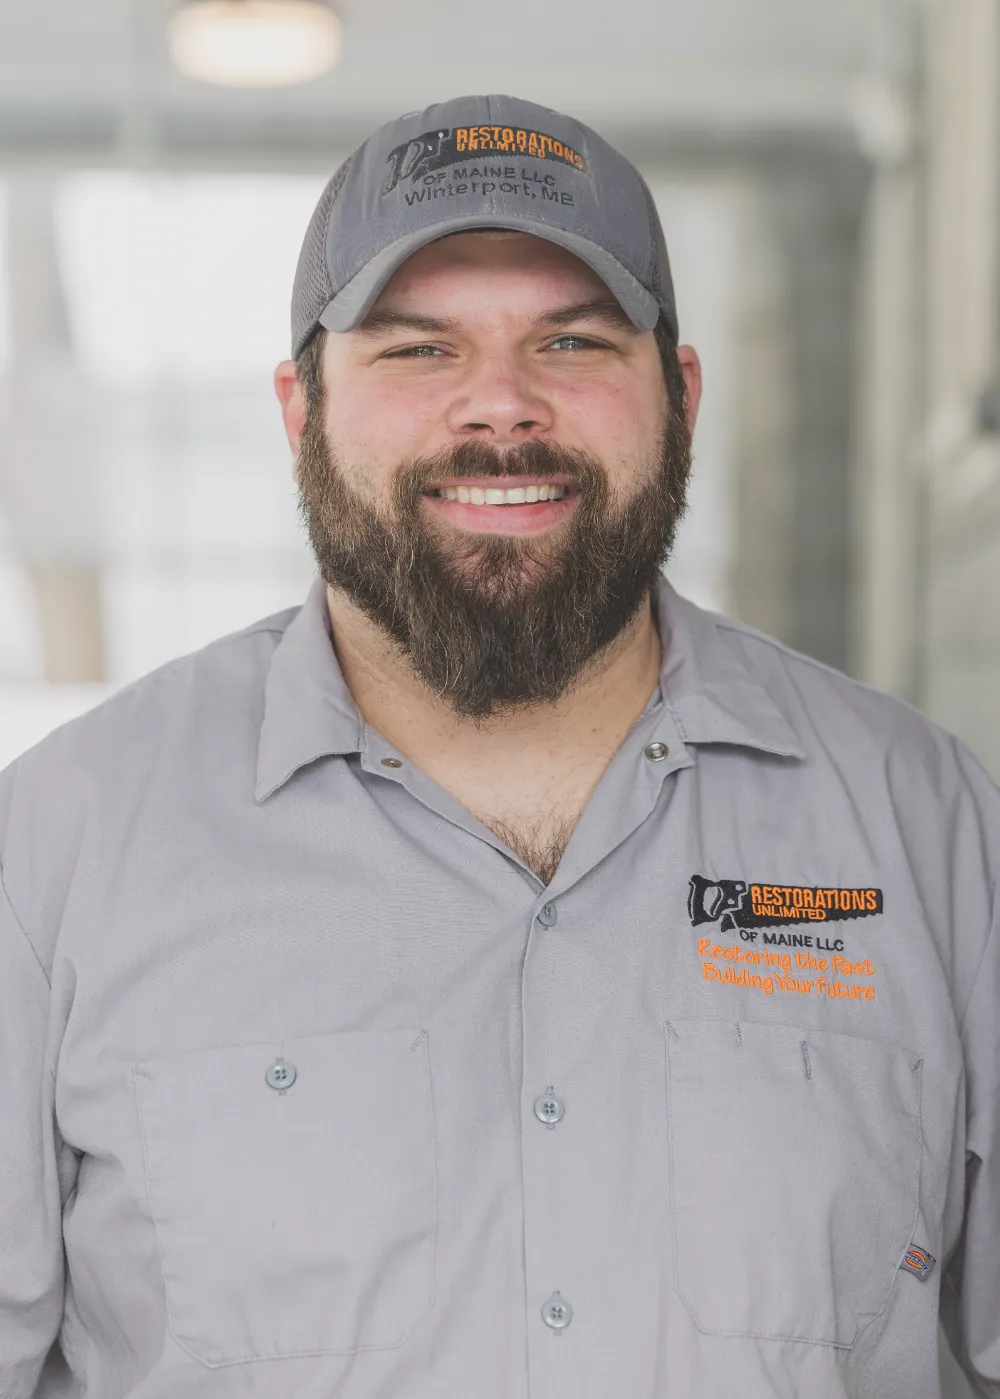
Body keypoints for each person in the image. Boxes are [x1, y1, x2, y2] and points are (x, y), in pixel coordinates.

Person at [0, 94, 996, 1399]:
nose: (503, 407)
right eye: (418, 350)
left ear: (680, 398)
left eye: (573, 341)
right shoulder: (56, 852)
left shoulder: (927, 828)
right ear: (301, 412)